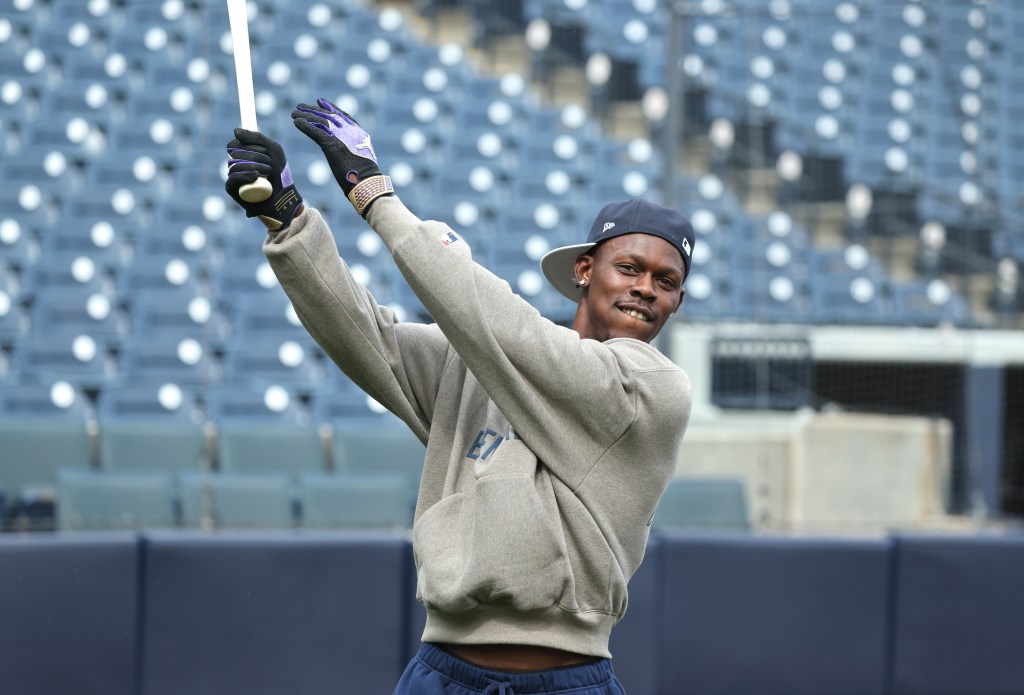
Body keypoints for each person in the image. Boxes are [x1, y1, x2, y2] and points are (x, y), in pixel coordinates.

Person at [224, 98, 694, 695]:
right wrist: (288, 220)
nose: (646, 289)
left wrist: (376, 197)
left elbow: (509, 331)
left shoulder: (656, 388)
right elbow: (369, 339)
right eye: (629, 268)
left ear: (677, 302)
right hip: (443, 672)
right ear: (584, 270)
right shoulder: (484, 360)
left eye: (666, 281)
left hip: (570, 680)